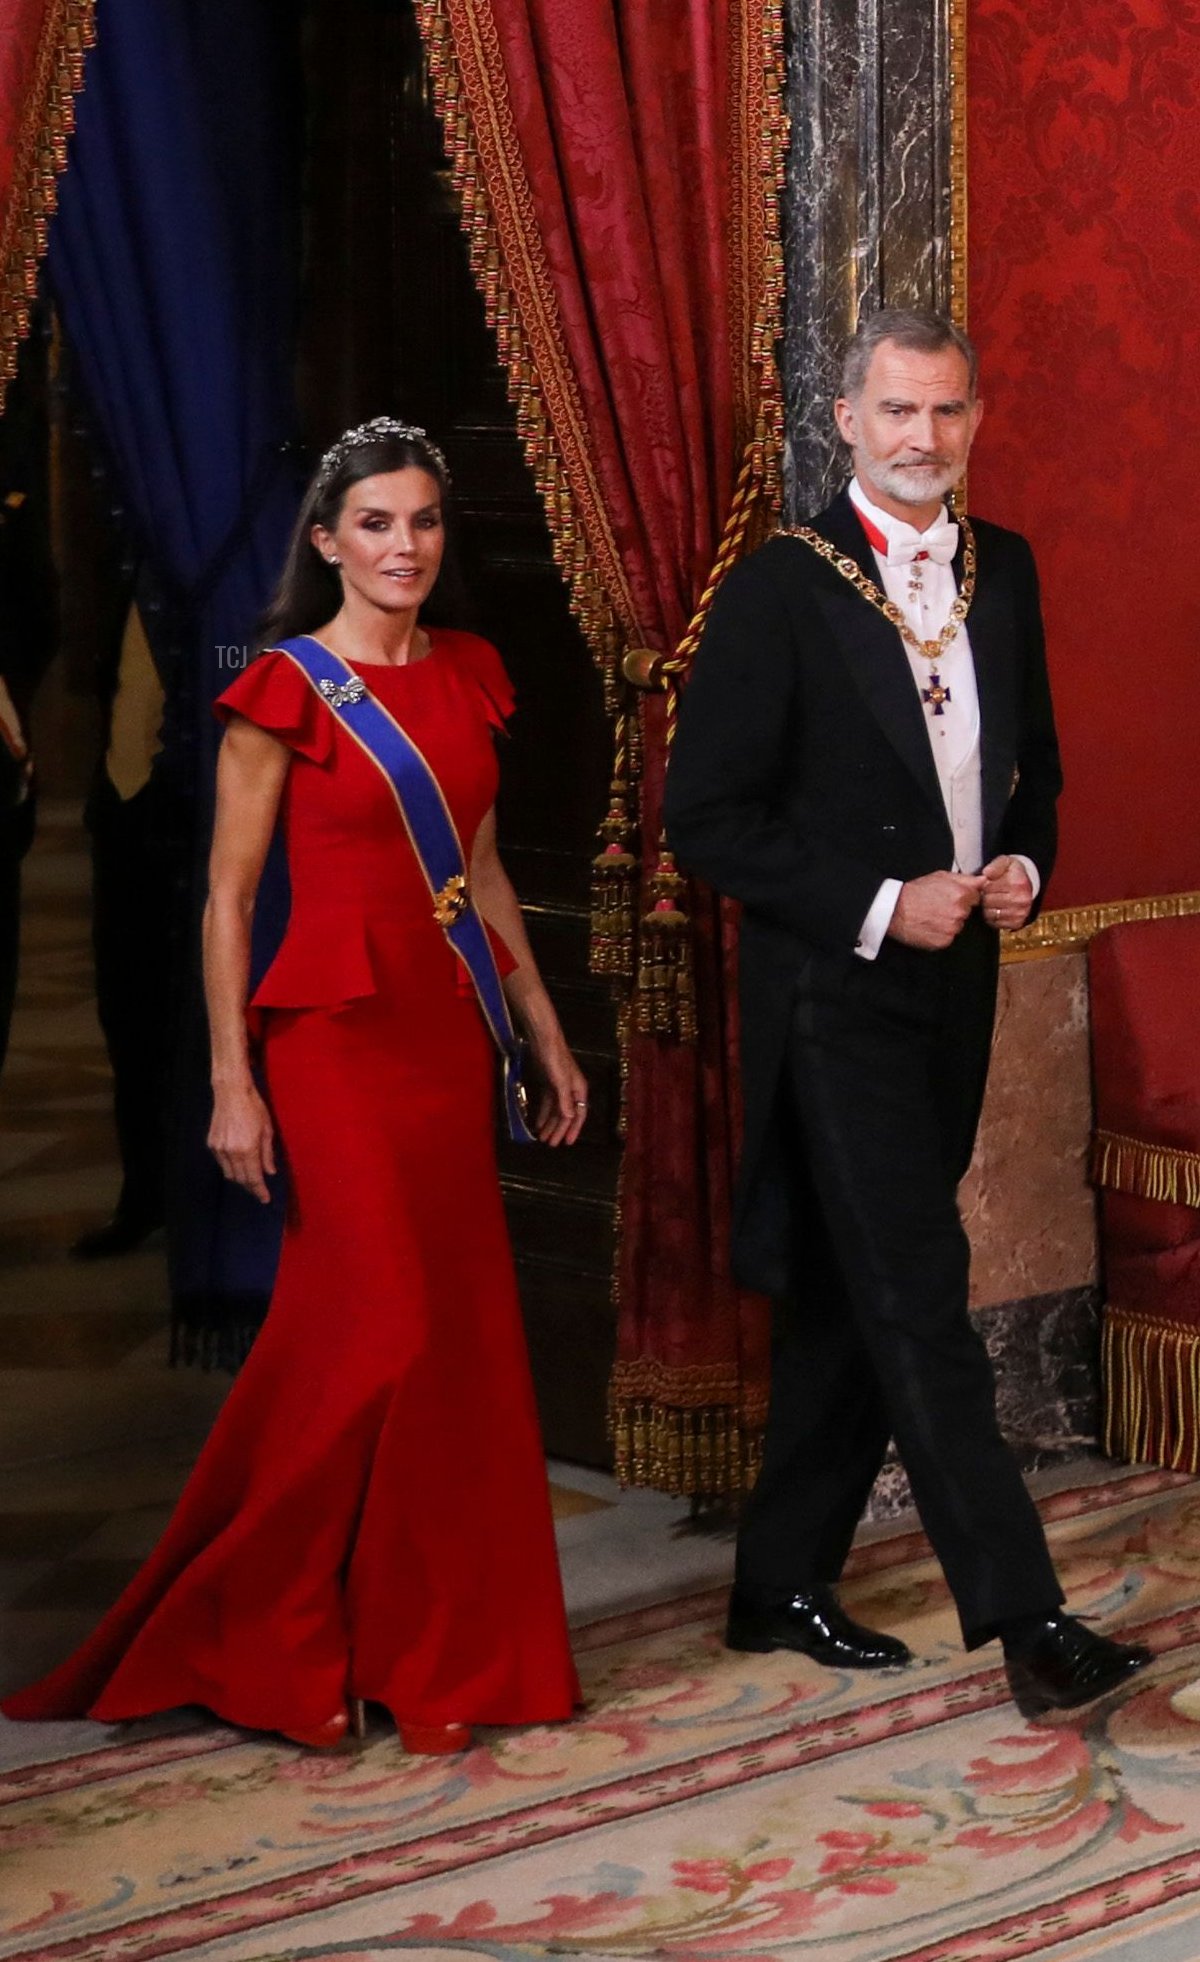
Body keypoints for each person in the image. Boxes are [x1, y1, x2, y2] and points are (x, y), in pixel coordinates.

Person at [3, 418, 585, 1752]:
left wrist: (541, 1030)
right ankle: (251, 1621)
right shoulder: (285, 689)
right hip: (329, 1037)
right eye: (376, 523)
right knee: (381, 1329)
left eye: (424, 521)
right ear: (326, 539)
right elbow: (227, 895)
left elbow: (482, 874)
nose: (404, 546)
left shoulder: (475, 673)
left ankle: (428, 1648)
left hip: (446, 1030)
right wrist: (230, 1079)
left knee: (445, 1347)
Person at [663, 309, 1151, 1719]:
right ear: (845, 419)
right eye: (895, 413)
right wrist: (883, 897)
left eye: (945, 414)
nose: (921, 440)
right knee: (922, 1288)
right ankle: (1029, 1621)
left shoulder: (1008, 574)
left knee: (851, 1287)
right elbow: (706, 817)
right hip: (835, 991)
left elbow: (1037, 774)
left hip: (958, 986)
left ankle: (778, 1580)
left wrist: (1020, 867)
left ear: (976, 421)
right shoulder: (777, 588)